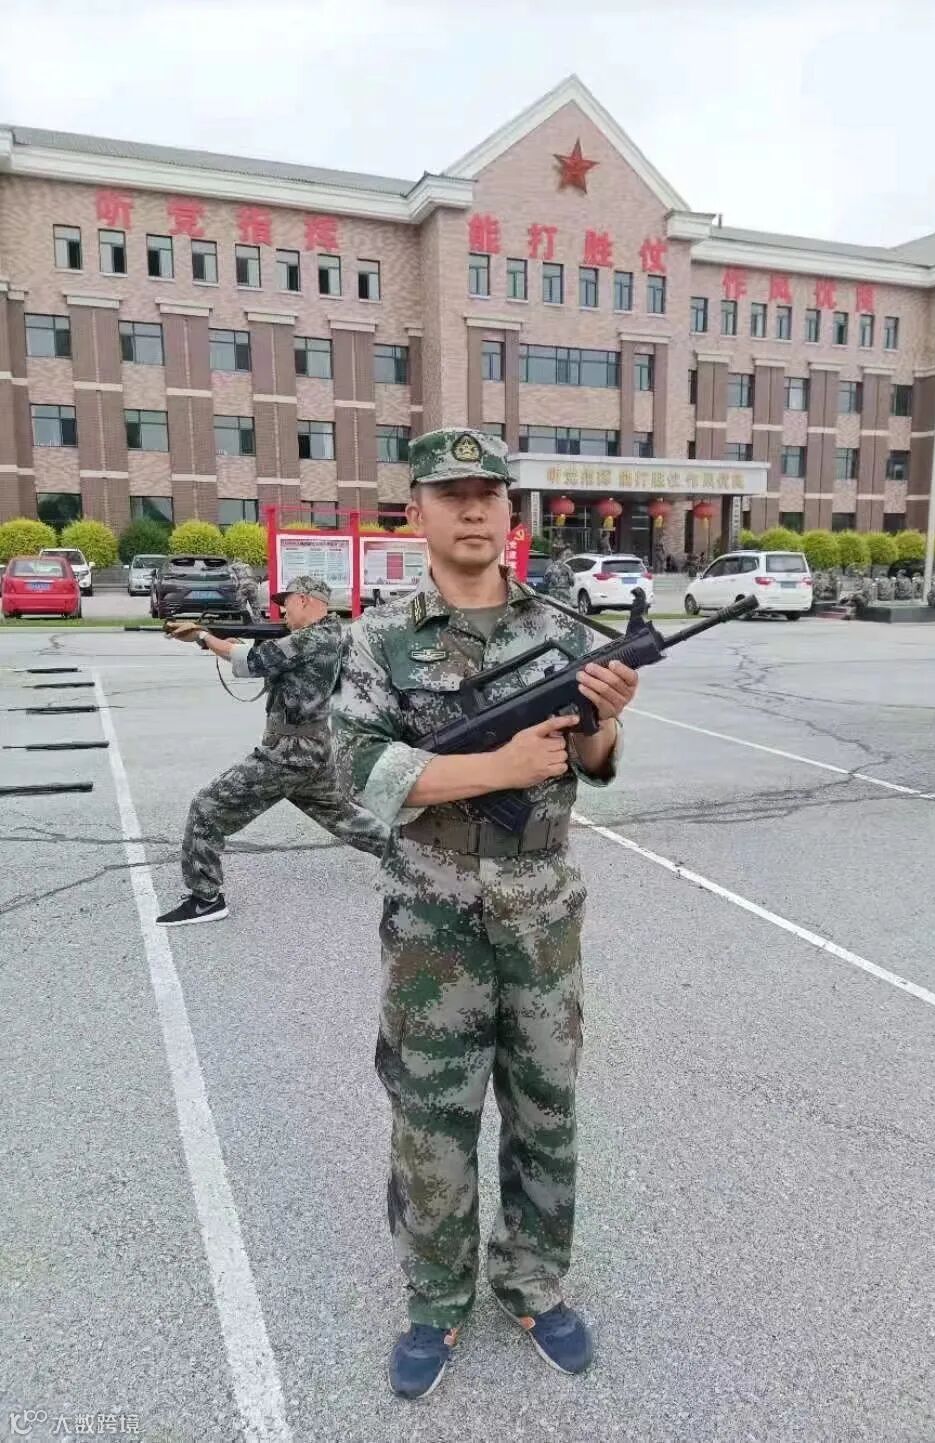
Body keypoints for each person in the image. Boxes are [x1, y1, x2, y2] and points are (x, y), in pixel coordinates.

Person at [333, 428, 638, 1400]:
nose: (472, 509)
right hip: (431, 923)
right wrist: (493, 768)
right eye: (451, 493)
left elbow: (593, 760)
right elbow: (358, 770)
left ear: (510, 512)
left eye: (489, 494)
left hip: (542, 912)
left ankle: (534, 1283)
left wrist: (607, 719)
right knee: (432, 1118)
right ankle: (435, 1300)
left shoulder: (562, 626)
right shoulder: (380, 638)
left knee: (546, 1110)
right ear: (416, 512)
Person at [156, 576, 386, 925]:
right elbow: (271, 660)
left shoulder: (309, 639)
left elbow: (251, 662)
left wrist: (203, 638)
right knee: (346, 818)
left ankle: (206, 899)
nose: (282, 611)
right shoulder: (334, 634)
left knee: (206, 807)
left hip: (287, 754)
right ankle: (411, 860)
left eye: (287, 603)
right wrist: (227, 642)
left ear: (305, 600)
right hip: (315, 748)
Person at [542, 541, 575, 607]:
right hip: (564, 592)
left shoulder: (550, 567)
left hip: (553, 592)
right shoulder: (567, 567)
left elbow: (545, 581)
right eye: (564, 555)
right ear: (561, 556)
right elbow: (572, 582)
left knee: (554, 609)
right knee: (565, 610)